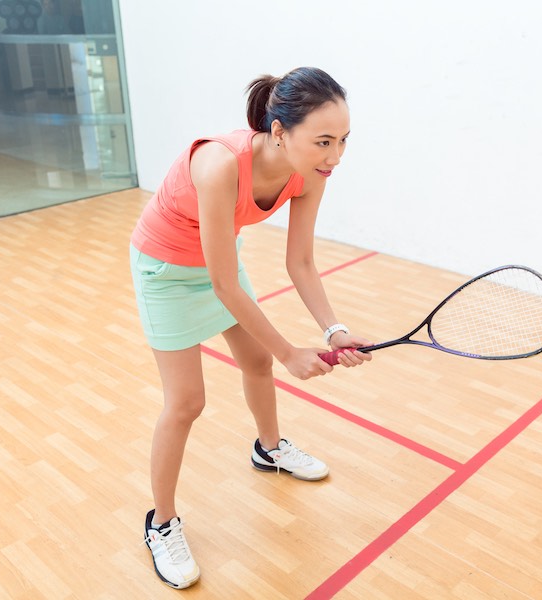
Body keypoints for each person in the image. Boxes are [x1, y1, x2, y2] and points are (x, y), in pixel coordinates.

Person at [129, 66, 372, 590]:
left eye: (344, 140)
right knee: (187, 402)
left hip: (217, 260)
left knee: (255, 360)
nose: (336, 156)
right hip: (166, 271)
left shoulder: (310, 174)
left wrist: (334, 330)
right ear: (280, 131)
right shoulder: (219, 164)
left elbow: (301, 262)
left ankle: (269, 449)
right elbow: (222, 284)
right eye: (323, 141)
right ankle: (161, 523)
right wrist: (291, 351)